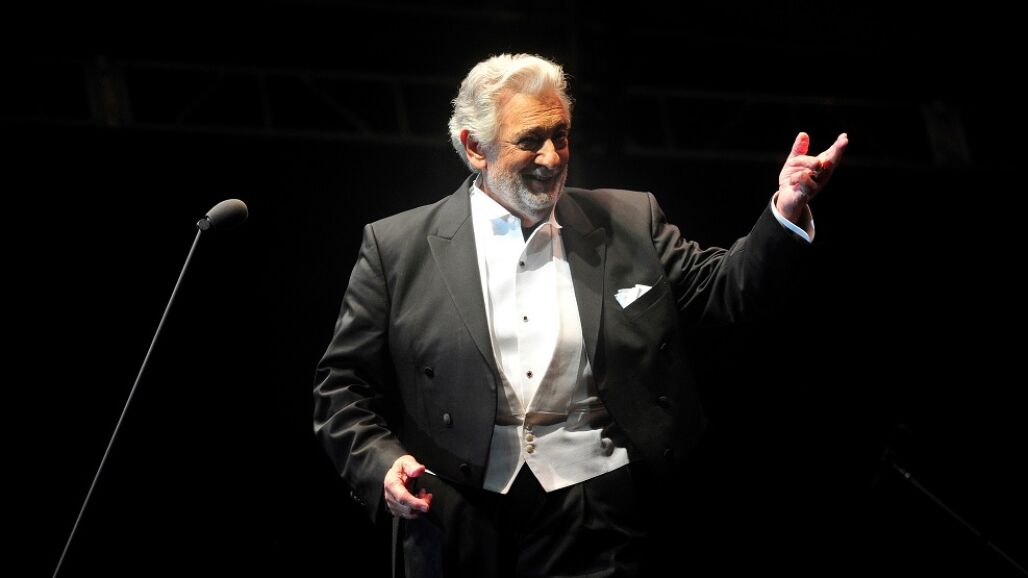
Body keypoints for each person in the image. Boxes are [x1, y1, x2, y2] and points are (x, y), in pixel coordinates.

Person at [313, 53, 848, 577]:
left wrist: (785, 212)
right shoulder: (397, 247)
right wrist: (381, 465)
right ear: (475, 148)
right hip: (454, 511)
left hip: (596, 509)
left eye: (560, 135)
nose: (551, 158)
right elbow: (341, 388)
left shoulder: (628, 219)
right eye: (530, 140)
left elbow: (725, 290)